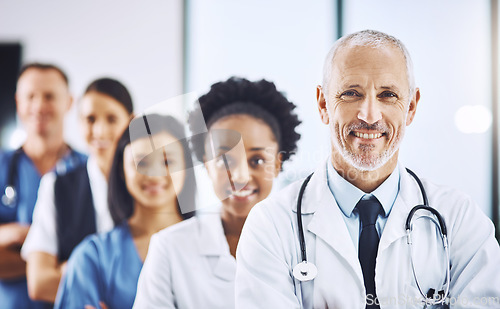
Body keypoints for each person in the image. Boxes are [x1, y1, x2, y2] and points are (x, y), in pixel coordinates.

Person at [235, 30, 500, 309]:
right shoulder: (271, 225)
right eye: (351, 93)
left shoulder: (459, 219)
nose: (369, 115)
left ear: (410, 107)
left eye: (388, 95)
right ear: (324, 104)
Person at [133, 77, 301, 308]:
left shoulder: (305, 245)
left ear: (277, 163)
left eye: (257, 160)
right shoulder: (170, 248)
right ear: (206, 162)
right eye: (224, 159)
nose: (241, 176)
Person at [54, 114, 197, 309]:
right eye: (142, 163)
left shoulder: (218, 245)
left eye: (167, 161)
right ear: (122, 170)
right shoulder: (92, 258)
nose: (155, 174)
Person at [21, 78, 133, 304]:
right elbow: (39, 282)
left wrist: (72, 273)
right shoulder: (56, 186)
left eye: (112, 119)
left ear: (132, 122)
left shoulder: (149, 184)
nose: (100, 130)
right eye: (90, 119)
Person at [0, 63, 87, 309]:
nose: (38, 106)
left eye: (49, 96)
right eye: (30, 96)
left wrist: (17, 238)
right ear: (18, 102)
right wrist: (54, 258)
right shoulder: (2, 166)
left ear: (69, 102)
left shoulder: (89, 171)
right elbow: (80, 258)